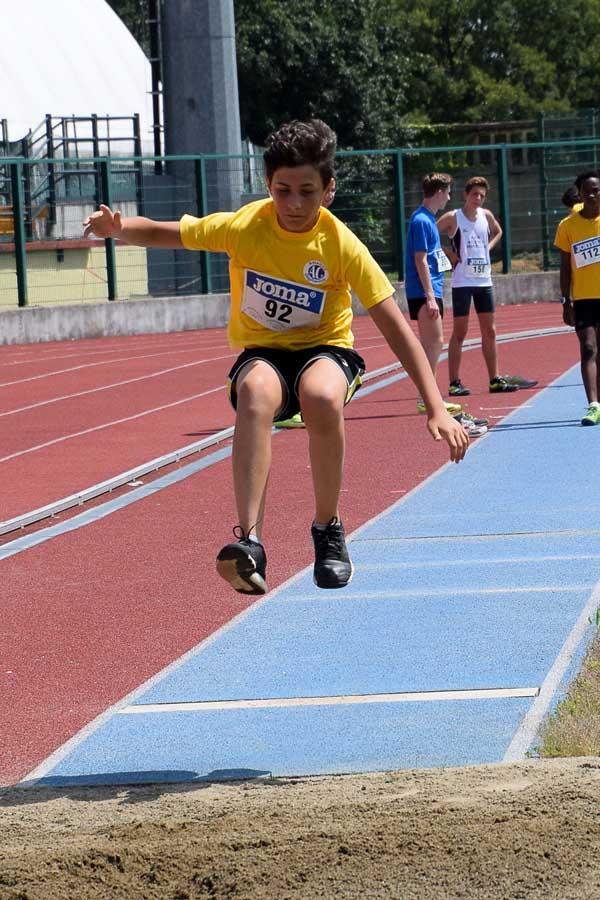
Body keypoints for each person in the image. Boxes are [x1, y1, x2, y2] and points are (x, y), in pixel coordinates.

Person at [84, 119, 469, 595]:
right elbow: (171, 234)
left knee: (321, 396)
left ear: (328, 190)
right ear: (268, 186)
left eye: (307, 191)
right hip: (265, 351)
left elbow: (395, 327)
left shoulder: (340, 243)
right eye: (282, 190)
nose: (293, 204)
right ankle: (249, 542)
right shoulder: (247, 226)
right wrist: (119, 228)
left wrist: (434, 404)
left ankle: (328, 530)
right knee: (254, 392)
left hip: (326, 349)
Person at [437, 176, 536, 397]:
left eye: (482, 196)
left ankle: (494, 379)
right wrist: (448, 254)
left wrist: (487, 247)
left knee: (489, 331)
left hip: (484, 281)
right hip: (462, 282)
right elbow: (430, 234)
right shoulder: (454, 217)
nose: (478, 199)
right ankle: (454, 382)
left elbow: (498, 230)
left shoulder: (486, 216)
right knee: (460, 332)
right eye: (474, 195)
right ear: (466, 195)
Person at [404, 173, 487, 437]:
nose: (450, 197)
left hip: (433, 288)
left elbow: (430, 256)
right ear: (438, 192)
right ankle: (427, 397)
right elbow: (419, 259)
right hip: (425, 291)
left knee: (433, 343)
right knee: (433, 343)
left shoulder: (427, 219)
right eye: (448, 192)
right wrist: (429, 295)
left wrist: (448, 259)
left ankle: (428, 396)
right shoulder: (421, 220)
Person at [554, 169, 600, 426]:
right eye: (587, 191)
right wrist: (565, 301)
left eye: (596, 191)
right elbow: (564, 267)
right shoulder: (568, 226)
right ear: (580, 194)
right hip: (583, 299)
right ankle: (593, 405)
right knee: (589, 348)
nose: (592, 195)